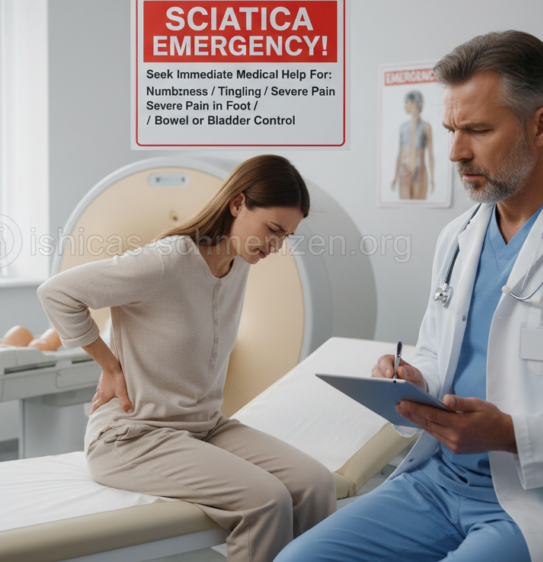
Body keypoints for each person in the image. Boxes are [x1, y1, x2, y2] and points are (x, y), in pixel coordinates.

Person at [277, 31, 543, 562]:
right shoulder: (459, 237)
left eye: (477, 130)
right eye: (451, 129)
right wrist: (416, 377)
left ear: (542, 124)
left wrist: (512, 434)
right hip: (437, 484)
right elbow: (439, 351)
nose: (454, 152)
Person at [37, 155, 336, 562]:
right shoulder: (166, 261)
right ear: (237, 204)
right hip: (133, 435)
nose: (275, 245)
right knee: (266, 500)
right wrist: (109, 366)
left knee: (315, 483)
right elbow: (57, 293)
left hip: (203, 426)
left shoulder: (239, 263)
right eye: (272, 230)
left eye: (285, 236)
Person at [391, 90, 435, 199]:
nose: (405, 106)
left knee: (419, 207)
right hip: (404, 172)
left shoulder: (426, 127)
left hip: (420, 172)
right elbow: (400, 153)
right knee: (405, 208)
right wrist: (396, 176)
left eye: (407, 102)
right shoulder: (403, 127)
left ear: (414, 103)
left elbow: (430, 154)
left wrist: (432, 178)